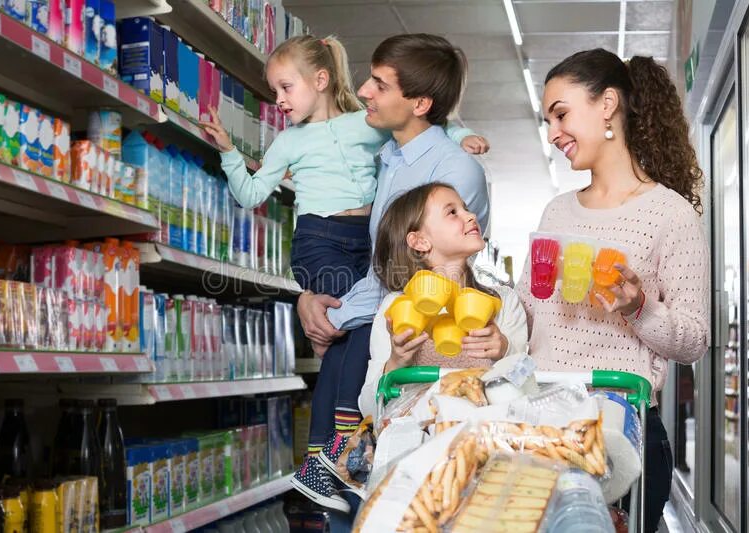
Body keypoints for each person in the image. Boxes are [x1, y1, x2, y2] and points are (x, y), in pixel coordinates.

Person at [291, 34, 491, 513]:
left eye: (379, 84)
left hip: (420, 359)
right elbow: (380, 265)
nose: (363, 90)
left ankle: (337, 473)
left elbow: (406, 274)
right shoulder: (392, 158)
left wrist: (337, 317)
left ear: (420, 103)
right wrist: (315, 298)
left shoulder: (452, 170)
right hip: (383, 343)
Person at [519, 48, 709, 532]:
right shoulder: (556, 212)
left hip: (624, 437)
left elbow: (694, 341)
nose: (553, 132)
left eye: (561, 114)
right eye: (547, 120)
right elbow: (525, 313)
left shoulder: (670, 214)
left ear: (607, 105)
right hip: (545, 427)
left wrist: (639, 306)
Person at [201, 35, 486, 305]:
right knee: (354, 310)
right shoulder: (286, 142)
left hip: (363, 238)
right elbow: (250, 196)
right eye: (274, 91)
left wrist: (463, 137)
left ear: (320, 80)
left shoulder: (366, 123)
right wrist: (229, 152)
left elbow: (426, 124)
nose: (279, 99)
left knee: (371, 306)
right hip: (318, 240)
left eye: (286, 87)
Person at [358, 183, 528, 421]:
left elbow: (528, 389)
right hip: (415, 447)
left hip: (485, 441)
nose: (471, 215)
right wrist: (397, 361)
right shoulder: (396, 308)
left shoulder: (505, 302)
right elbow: (368, 408)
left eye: (466, 208)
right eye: (452, 212)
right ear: (420, 242)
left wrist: (505, 350)